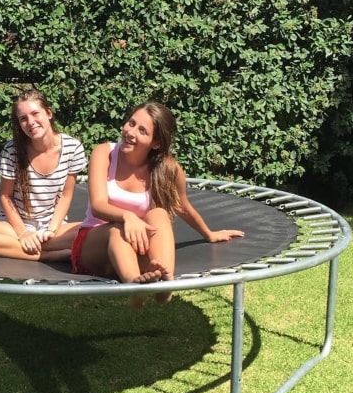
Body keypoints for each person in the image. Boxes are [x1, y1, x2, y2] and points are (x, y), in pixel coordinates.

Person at [70, 101, 244, 305]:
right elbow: (98, 205)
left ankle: (164, 283)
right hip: (94, 246)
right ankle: (135, 286)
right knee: (117, 230)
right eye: (131, 123)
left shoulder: (167, 169)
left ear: (156, 143)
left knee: (160, 214)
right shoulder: (104, 153)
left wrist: (209, 234)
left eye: (142, 130)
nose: (130, 132)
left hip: (134, 249)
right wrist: (128, 217)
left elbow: (182, 206)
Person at [0, 89, 87, 261]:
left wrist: (51, 231)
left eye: (35, 113)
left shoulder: (72, 148)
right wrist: (23, 233)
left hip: (54, 226)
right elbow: (5, 196)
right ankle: (45, 256)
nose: (30, 122)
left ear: (49, 113)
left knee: (94, 231)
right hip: (16, 227)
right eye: (23, 118)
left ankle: (36, 246)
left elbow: (66, 195)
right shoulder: (12, 151)